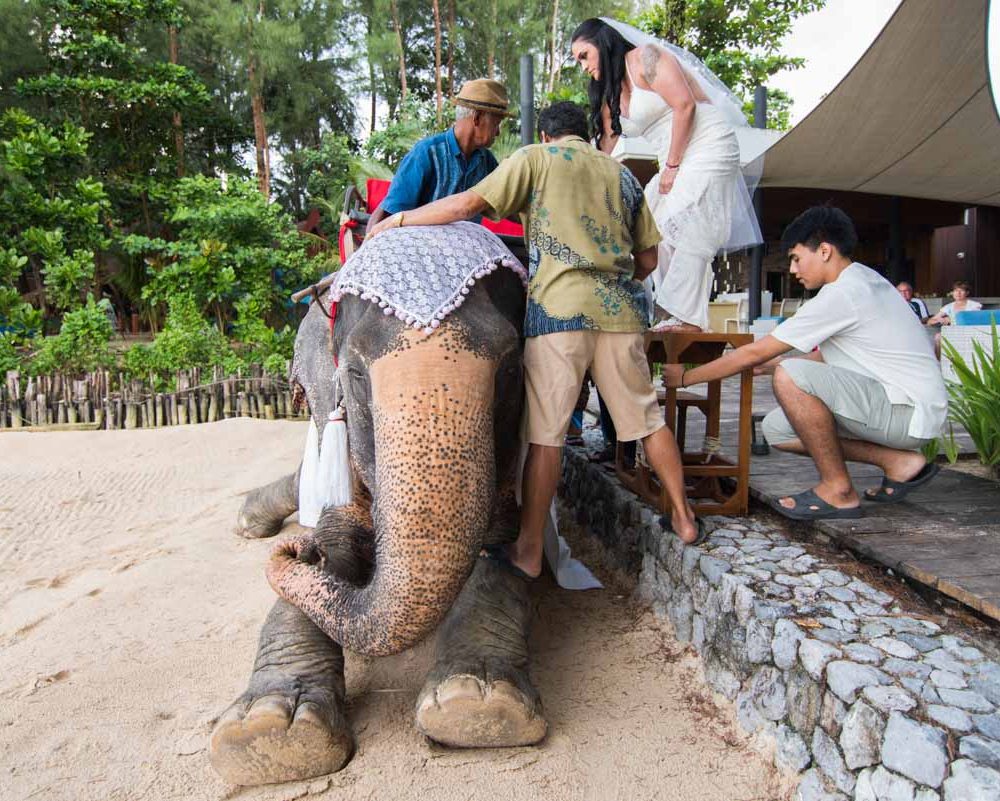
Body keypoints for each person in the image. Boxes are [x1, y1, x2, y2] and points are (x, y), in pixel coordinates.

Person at [370, 101, 702, 576]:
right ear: (584, 136)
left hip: (557, 316)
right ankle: (685, 519)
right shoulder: (622, 175)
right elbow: (649, 260)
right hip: (620, 316)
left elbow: (467, 205)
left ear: (547, 136)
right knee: (647, 420)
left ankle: (528, 552)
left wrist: (397, 221)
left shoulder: (534, 159)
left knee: (547, 437)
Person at [662, 206, 947, 521]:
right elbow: (832, 356)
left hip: (906, 412)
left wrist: (686, 378)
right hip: (907, 407)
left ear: (824, 250)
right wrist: (775, 365)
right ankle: (898, 463)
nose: (793, 269)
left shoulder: (842, 294)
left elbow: (755, 352)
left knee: (790, 376)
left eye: (796, 258)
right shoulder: (865, 279)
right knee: (778, 429)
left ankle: (838, 490)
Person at [569, 17, 762, 332]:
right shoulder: (610, 93)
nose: (582, 66)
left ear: (602, 43)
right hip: (672, 156)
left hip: (706, 143)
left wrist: (671, 168)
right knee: (648, 232)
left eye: (584, 56)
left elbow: (685, 106)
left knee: (683, 223)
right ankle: (664, 309)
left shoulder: (647, 57)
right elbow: (604, 147)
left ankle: (689, 319)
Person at [366, 79, 510, 232]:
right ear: (477, 117)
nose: (498, 132)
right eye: (496, 124)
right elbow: (389, 217)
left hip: (465, 250)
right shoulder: (426, 153)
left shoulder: (486, 162)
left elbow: (507, 202)